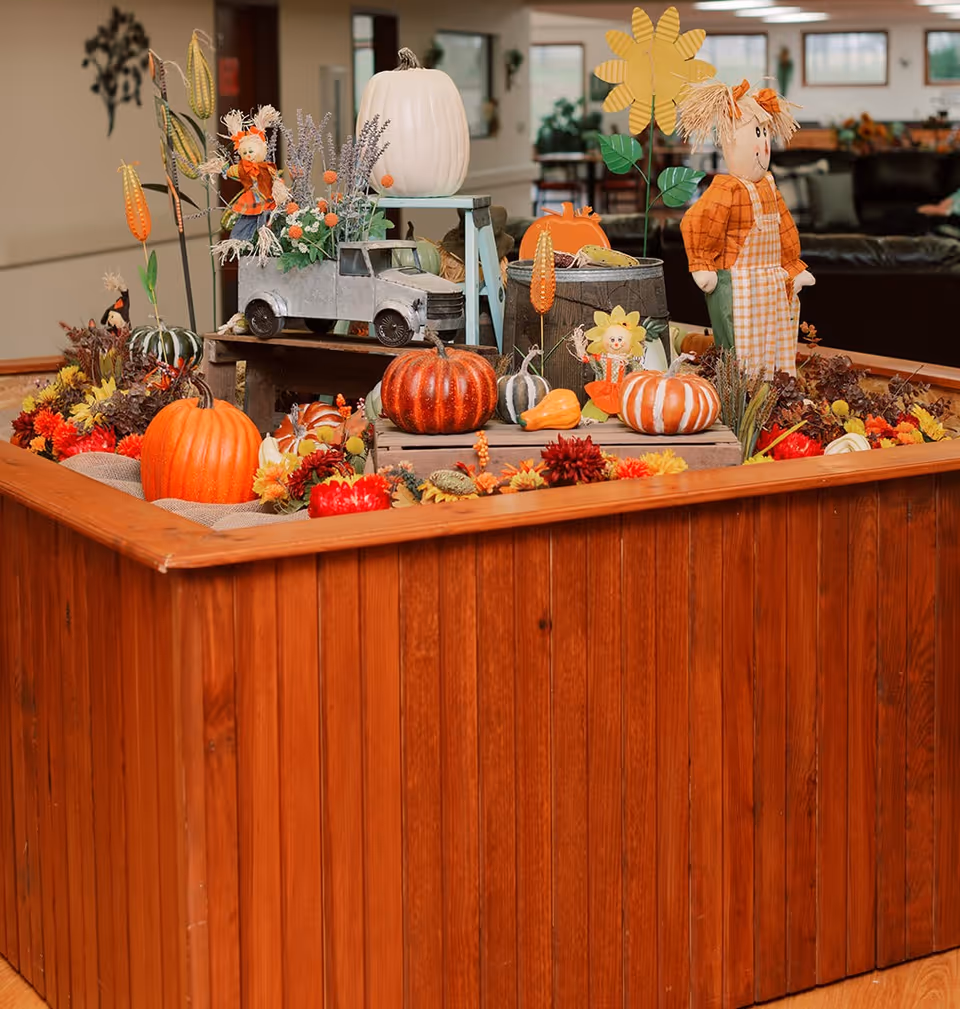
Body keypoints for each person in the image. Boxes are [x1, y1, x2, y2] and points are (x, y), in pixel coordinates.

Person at [678, 79, 814, 378]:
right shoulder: (727, 188)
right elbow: (698, 220)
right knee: (738, 350)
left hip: (771, 282)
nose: (763, 143)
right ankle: (739, 403)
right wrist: (703, 265)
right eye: (756, 133)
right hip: (736, 282)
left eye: (765, 132)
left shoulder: (769, 185)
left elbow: (784, 228)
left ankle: (776, 392)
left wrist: (792, 266)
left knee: (776, 340)